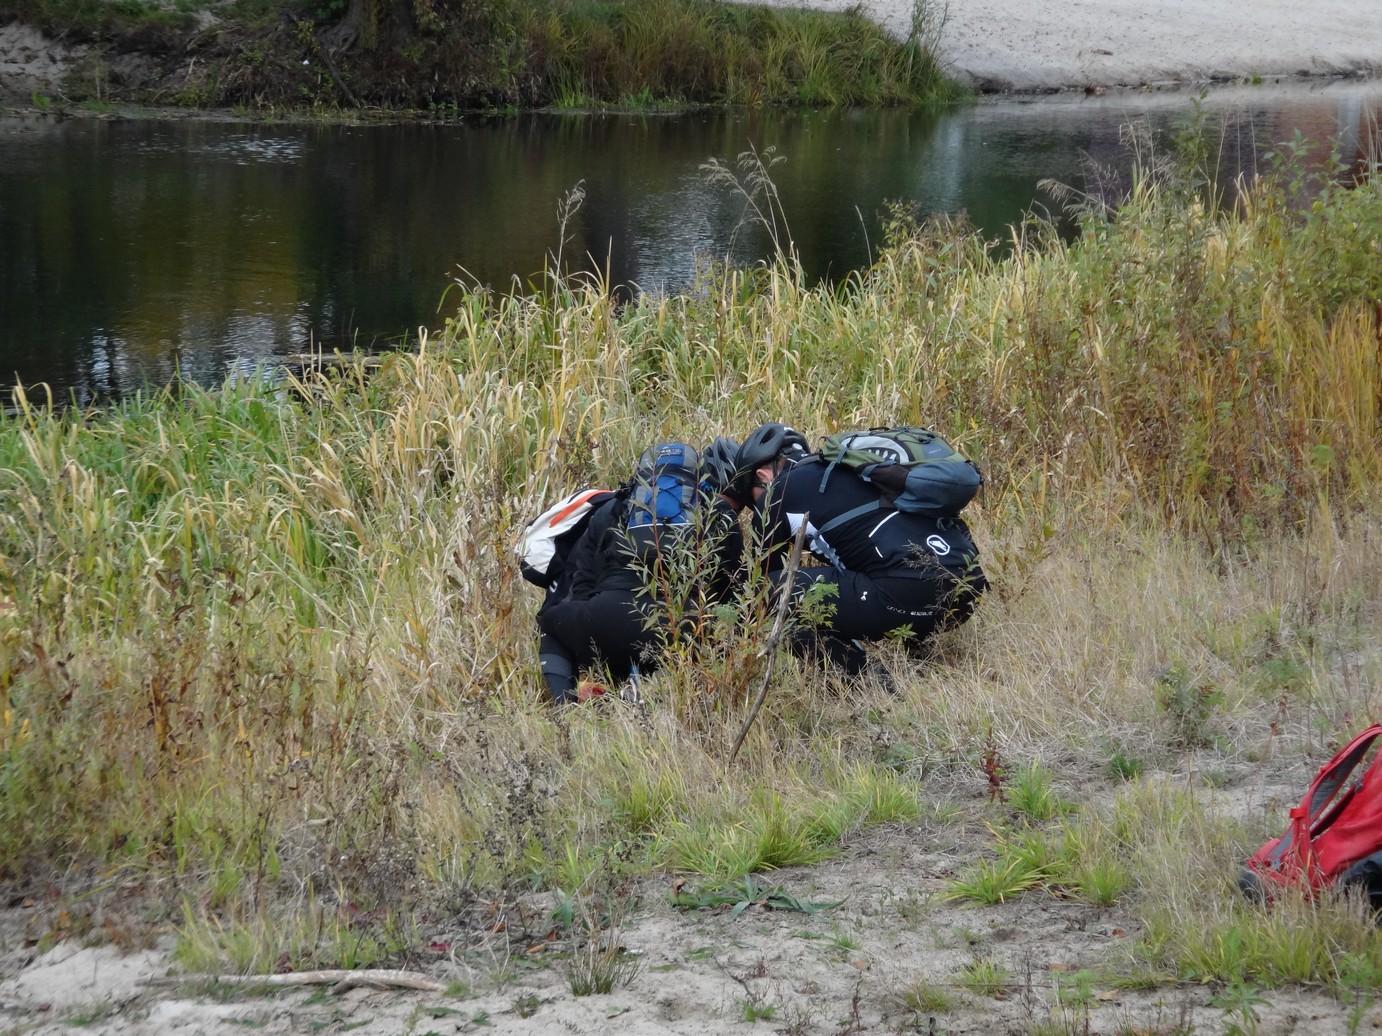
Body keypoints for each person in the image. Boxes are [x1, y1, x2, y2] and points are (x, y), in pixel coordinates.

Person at [731, 421, 986, 673]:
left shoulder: (777, 492)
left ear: (762, 476)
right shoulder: (853, 470)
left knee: (764, 596)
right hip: (967, 591)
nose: (757, 508)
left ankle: (863, 678)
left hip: (906, 592)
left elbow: (762, 580)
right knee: (886, 565)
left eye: (752, 499)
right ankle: (921, 664)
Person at [536, 438, 743, 705]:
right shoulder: (720, 512)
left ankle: (564, 705)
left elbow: (582, 581)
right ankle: (663, 693)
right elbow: (730, 587)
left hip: (607, 616)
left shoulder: (613, 509)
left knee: (551, 622)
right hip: (682, 630)